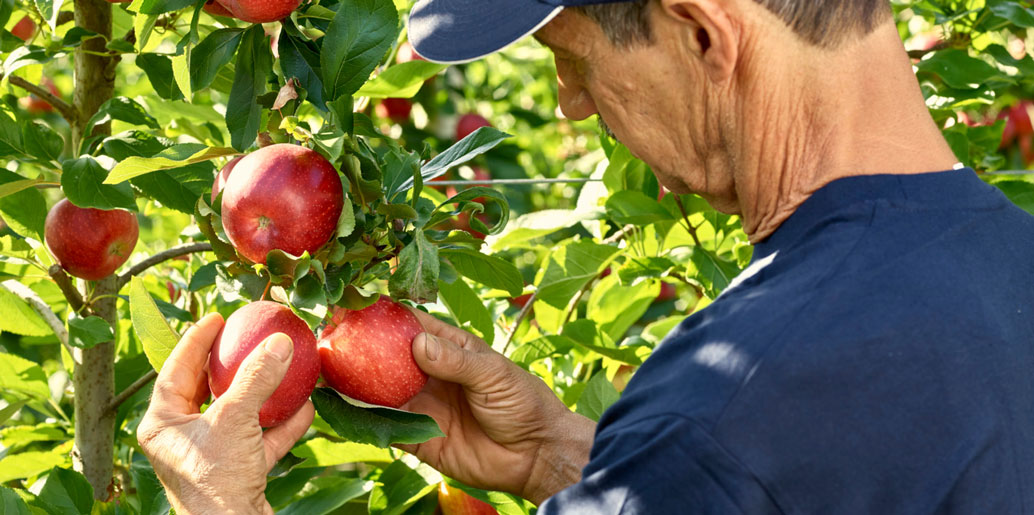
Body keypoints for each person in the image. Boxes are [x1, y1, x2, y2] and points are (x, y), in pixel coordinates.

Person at [139, 0, 1034, 512]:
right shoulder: (1009, 267)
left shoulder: (725, 410)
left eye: (572, 59)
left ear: (702, 33)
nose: (568, 104)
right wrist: (573, 461)